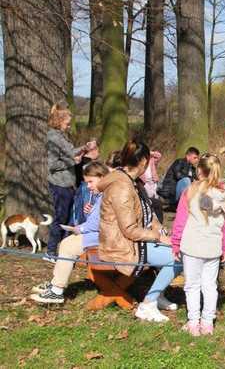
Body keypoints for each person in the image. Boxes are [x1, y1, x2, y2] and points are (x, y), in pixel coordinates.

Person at [98, 140, 180, 322]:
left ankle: (157, 295)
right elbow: (129, 230)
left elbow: (148, 215)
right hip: (122, 246)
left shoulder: (133, 182)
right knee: (175, 259)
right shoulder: (121, 186)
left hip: (135, 241)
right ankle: (147, 304)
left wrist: (162, 232)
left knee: (176, 250)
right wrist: (158, 238)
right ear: (143, 161)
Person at [171, 154, 225, 336]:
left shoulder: (190, 191)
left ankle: (193, 323)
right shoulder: (224, 195)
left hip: (192, 246)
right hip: (213, 247)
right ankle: (207, 323)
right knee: (210, 285)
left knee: (192, 286)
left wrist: (175, 242)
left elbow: (180, 220)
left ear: (198, 170)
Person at [30, 162, 110, 304]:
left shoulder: (106, 196)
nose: (89, 186)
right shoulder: (100, 195)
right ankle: (55, 283)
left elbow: (97, 224)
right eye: (87, 182)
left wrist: (80, 229)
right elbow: (96, 219)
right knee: (66, 242)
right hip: (99, 234)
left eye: (91, 182)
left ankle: (57, 291)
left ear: (102, 177)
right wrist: (88, 216)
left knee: (68, 246)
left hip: (105, 237)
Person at [46, 103, 96, 262]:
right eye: (67, 123)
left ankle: (64, 250)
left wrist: (84, 148)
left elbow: (70, 153)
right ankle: (51, 251)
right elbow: (52, 165)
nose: (69, 126)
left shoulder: (61, 136)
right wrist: (72, 162)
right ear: (59, 121)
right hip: (59, 184)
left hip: (68, 184)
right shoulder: (53, 138)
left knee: (69, 217)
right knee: (61, 217)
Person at [140, 150, 164, 222]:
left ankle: (156, 215)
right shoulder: (140, 160)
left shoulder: (152, 160)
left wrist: (150, 152)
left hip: (153, 181)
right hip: (145, 182)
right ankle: (149, 214)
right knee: (147, 198)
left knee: (155, 198)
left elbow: (159, 156)